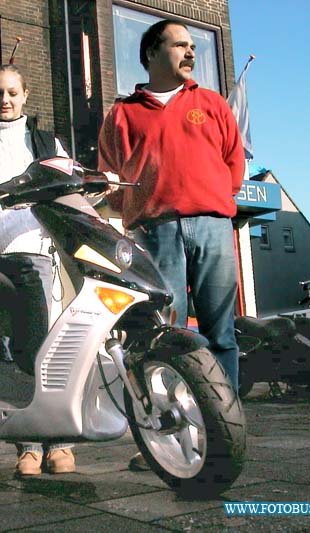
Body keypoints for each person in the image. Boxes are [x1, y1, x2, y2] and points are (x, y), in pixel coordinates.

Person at [97, 20, 245, 467]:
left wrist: (209, 200)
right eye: (180, 44)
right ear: (151, 53)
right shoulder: (122, 113)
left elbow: (234, 164)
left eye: (193, 46)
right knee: (163, 336)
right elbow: (110, 177)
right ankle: (165, 434)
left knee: (221, 333)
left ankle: (225, 433)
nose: (191, 52)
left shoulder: (212, 103)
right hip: (155, 232)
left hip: (213, 226)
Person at [0, 64, 75, 477]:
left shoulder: (45, 141)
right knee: (3, 351)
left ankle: (52, 440)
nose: (4, 100)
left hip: (34, 255)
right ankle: (27, 443)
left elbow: (67, 185)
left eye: (12, 93)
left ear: (25, 95)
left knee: (40, 346)